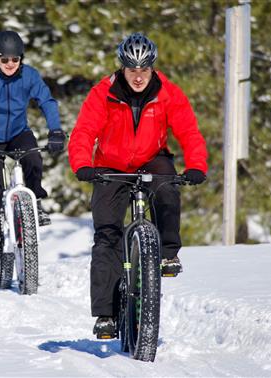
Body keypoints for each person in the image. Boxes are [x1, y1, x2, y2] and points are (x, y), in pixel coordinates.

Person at [68, 32, 208, 338]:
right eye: (132, 69)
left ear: (153, 68)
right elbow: (83, 131)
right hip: (110, 165)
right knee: (107, 235)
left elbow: (189, 131)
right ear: (122, 68)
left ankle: (167, 253)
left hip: (151, 158)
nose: (138, 77)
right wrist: (83, 164)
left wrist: (196, 165)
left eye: (144, 69)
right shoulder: (102, 93)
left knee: (168, 188)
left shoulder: (167, 92)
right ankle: (106, 314)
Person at [0, 30, 66, 277]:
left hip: (17, 133)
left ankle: (35, 202)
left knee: (33, 157)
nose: (10, 64)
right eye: (5, 60)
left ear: (21, 58)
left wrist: (56, 131)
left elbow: (46, 101)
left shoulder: (29, 75)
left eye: (15, 59)